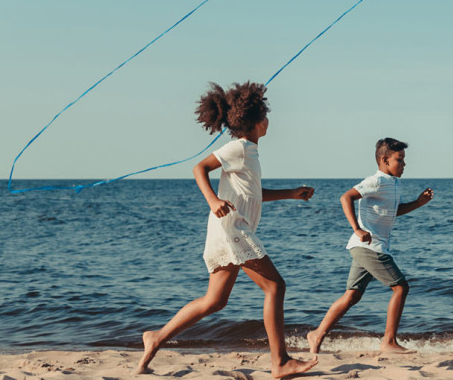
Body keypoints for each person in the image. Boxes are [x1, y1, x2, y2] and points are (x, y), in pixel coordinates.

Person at [137, 82, 318, 378]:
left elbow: (253, 193)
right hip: (232, 230)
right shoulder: (238, 148)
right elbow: (199, 168)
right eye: (265, 115)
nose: (269, 120)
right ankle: (280, 362)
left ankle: (156, 337)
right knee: (275, 286)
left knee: (215, 301)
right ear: (258, 122)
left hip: (229, 230)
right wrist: (213, 200)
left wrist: (291, 193)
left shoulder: (249, 151)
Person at [307, 138, 434, 354]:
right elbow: (346, 197)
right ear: (385, 160)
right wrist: (357, 228)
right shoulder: (377, 181)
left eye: (404, 160)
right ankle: (389, 341)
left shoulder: (393, 183)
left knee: (352, 295)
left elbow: (392, 212)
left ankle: (316, 334)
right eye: (399, 160)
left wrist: (418, 203)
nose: (404, 165)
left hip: (368, 247)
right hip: (370, 245)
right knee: (401, 288)